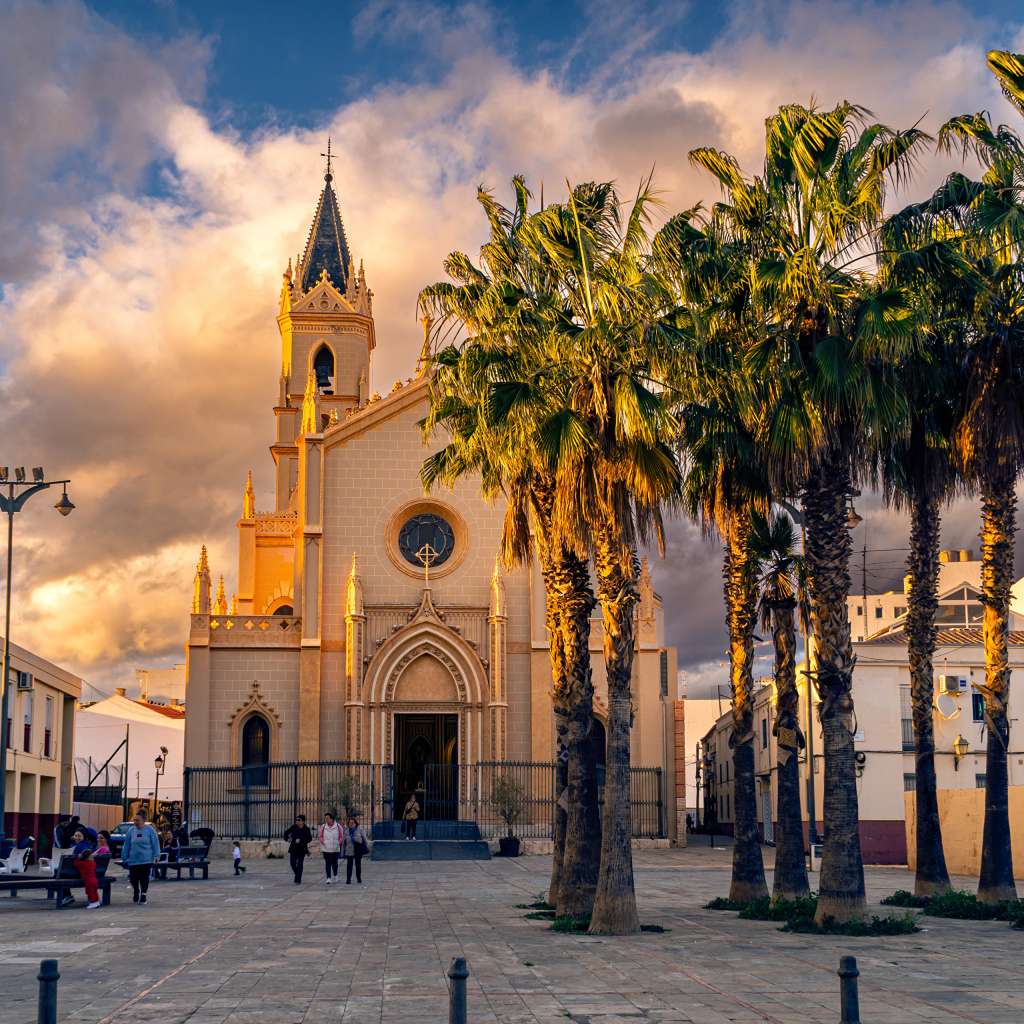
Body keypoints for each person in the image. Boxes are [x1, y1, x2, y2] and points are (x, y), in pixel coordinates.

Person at [121, 812, 160, 905]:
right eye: (134, 820)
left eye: (137, 820)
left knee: (144, 877)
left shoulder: (150, 830)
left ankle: (143, 895)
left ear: (143, 821)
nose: (135, 822)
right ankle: (136, 890)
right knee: (133, 878)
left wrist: (157, 856)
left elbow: (155, 843)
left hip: (146, 859)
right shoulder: (131, 831)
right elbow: (126, 844)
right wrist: (124, 857)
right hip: (133, 859)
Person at [283, 815, 312, 884]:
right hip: (293, 848)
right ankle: (297, 874)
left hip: (302, 849)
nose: (297, 822)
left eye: (299, 820)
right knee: (292, 863)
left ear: (303, 821)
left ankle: (298, 878)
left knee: (300, 863)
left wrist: (301, 840)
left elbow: (309, 839)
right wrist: (287, 839)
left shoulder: (306, 829)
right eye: (296, 820)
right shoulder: (294, 827)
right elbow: (286, 832)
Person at [343, 817, 367, 885]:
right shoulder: (346, 832)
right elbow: (344, 843)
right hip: (349, 850)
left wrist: (364, 848)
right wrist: (342, 853)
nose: (351, 824)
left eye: (352, 822)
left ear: (355, 823)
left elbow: (365, 840)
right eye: (350, 823)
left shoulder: (360, 830)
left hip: (358, 850)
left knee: (358, 865)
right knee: (349, 865)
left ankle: (359, 878)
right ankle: (348, 879)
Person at [319, 812, 342, 883]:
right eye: (325, 818)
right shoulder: (323, 826)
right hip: (326, 847)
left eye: (327, 818)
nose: (326, 820)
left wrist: (338, 843)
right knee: (328, 863)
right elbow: (320, 836)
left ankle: (335, 875)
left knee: (334, 863)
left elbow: (341, 836)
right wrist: (323, 842)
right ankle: (328, 878)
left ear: (332, 819)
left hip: (335, 847)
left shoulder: (338, 826)